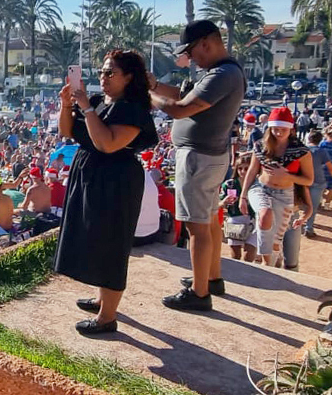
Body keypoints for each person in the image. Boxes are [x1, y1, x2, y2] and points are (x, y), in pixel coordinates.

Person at [56, 50, 158, 335]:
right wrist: (67, 106)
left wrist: (87, 107)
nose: (103, 78)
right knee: (95, 238)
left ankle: (107, 317)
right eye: (101, 72)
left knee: (112, 244)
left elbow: (108, 143)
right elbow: (68, 132)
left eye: (110, 72)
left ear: (129, 77)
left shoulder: (132, 109)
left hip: (116, 179)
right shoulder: (100, 102)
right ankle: (102, 300)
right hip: (91, 173)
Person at [150, 20, 245, 312]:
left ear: (206, 43)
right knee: (209, 219)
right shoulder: (220, 72)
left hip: (199, 157)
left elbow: (180, 109)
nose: (190, 58)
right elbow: (182, 96)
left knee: (196, 226)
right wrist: (153, 84)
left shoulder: (223, 74)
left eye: (191, 51)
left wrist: (149, 95)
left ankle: (200, 293)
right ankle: (211, 277)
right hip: (208, 155)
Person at [240, 107, 314, 268]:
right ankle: (266, 264)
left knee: (275, 241)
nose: (279, 133)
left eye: (283, 129)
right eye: (275, 129)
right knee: (265, 214)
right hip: (260, 188)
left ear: (291, 129)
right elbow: (252, 171)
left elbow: (308, 180)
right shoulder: (260, 146)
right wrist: (243, 196)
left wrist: (286, 175)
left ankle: (272, 264)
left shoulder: (301, 151)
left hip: (284, 194)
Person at [222, 154, 256, 261]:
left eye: (246, 168)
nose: (243, 171)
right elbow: (218, 203)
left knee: (249, 257)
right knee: (235, 257)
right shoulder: (229, 185)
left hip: (253, 221)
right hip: (235, 221)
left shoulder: (258, 184)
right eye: (240, 168)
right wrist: (224, 201)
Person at [305, 130, 332, 238]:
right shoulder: (321, 151)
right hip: (318, 181)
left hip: (302, 181)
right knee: (313, 207)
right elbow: (329, 167)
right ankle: (309, 228)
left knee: (298, 206)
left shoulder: (303, 150)